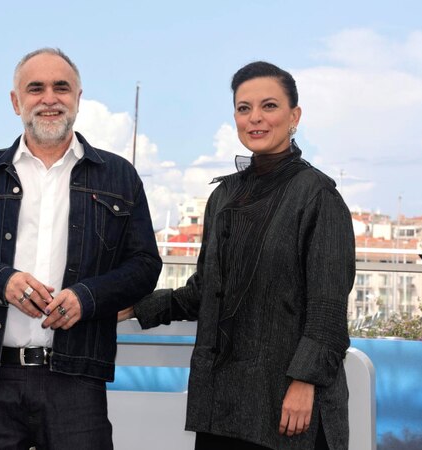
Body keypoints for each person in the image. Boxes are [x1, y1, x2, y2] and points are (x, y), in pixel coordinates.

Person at [0, 47, 162, 449]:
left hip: (76, 380)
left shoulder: (119, 175)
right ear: (16, 101)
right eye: (35, 88)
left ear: (78, 99)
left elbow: (144, 266)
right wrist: (3, 282)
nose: (49, 98)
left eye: (61, 87)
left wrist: (87, 298)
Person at [122, 61, 354, 450]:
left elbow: (328, 308)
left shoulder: (318, 196)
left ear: (294, 116)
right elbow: (204, 291)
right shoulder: (223, 197)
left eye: (269, 106)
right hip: (222, 400)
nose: (255, 119)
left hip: (287, 402)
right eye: (244, 108)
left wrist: (305, 381)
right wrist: (133, 308)